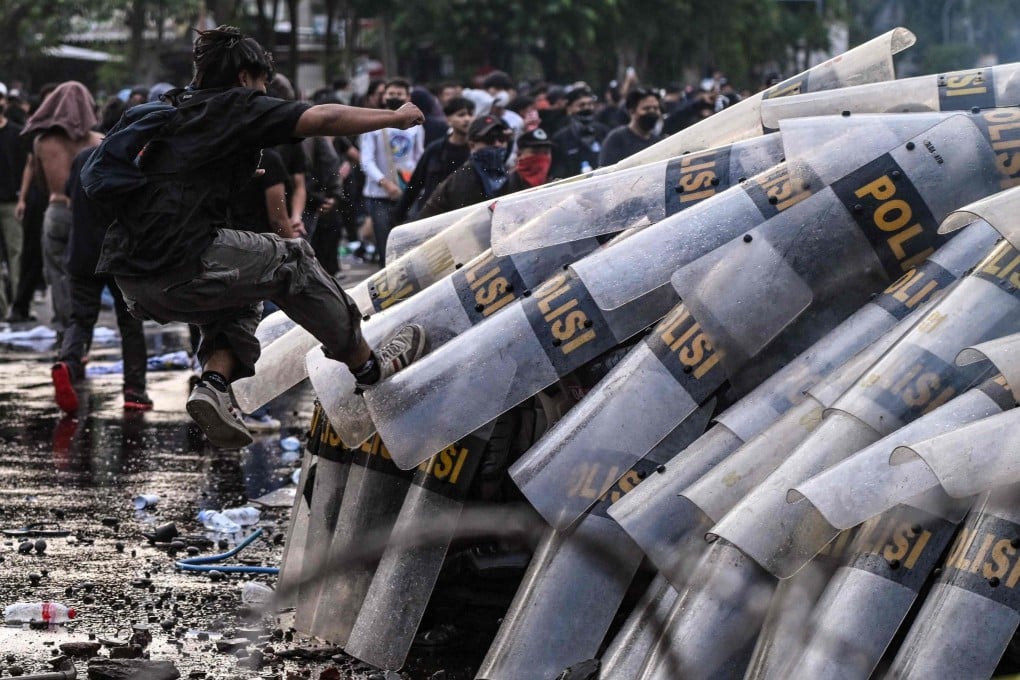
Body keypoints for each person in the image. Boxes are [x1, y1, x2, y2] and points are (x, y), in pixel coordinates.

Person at [92, 25, 427, 449]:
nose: (266, 92)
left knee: (241, 290)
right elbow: (323, 118)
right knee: (292, 261)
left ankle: (213, 384)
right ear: (245, 76)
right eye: (264, 83)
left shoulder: (174, 108)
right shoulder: (236, 105)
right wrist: (396, 118)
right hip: (183, 261)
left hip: (132, 278)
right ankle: (369, 369)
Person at [51, 147, 152, 414]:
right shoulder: (135, 163)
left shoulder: (83, 157)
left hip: (82, 252)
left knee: (80, 319)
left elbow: (70, 198)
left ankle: (68, 364)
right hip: (121, 256)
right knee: (130, 323)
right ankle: (135, 390)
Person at [21, 82, 104, 344]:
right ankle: (82, 336)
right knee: (89, 278)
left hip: (57, 211)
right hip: (90, 216)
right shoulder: (99, 141)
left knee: (57, 275)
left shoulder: (42, 142)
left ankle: (64, 331)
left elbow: (42, 185)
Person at [418, 118, 550, 218]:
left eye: (502, 138)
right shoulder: (465, 179)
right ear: (472, 145)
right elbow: (471, 226)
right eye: (489, 139)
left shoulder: (503, 174)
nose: (497, 144)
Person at [358, 78, 424, 266]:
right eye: (391, 94)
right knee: (384, 245)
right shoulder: (373, 123)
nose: (395, 97)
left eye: (399, 94)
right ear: (384, 96)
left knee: (408, 244)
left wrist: (414, 185)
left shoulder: (416, 125)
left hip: (407, 193)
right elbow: (366, 160)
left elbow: (418, 157)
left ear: (407, 97)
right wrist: (385, 183)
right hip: (378, 194)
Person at [393, 95, 474, 224]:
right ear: (448, 119)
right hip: (434, 217)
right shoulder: (435, 150)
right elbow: (415, 185)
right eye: (461, 115)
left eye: (470, 114)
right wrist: (398, 217)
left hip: (465, 218)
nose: (467, 119)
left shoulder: (475, 152)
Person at [0, 81, 27, 317]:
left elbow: (24, 168)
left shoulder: (16, 133)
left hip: (10, 201)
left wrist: (22, 199)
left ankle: (18, 305)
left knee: (16, 253)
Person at [550, 86, 608, 178]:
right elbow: (558, 173)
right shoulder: (560, 139)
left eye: (590, 104)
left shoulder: (602, 131)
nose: (587, 108)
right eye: (581, 105)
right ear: (569, 109)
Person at [598, 88, 662, 167]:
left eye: (655, 108)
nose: (652, 112)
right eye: (646, 108)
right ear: (632, 111)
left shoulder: (658, 142)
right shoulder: (616, 139)